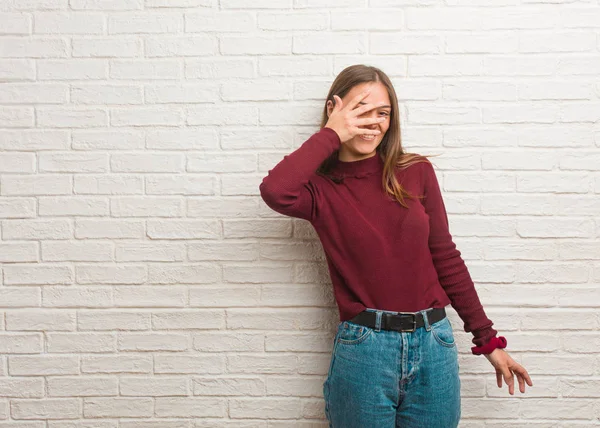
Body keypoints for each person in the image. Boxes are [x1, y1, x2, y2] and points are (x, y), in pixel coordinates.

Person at [259, 64, 532, 428]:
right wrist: (331, 134)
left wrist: (488, 340)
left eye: (383, 113)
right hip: (365, 349)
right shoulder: (319, 190)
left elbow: (445, 257)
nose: (373, 122)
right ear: (334, 109)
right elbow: (275, 191)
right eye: (361, 109)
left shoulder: (415, 172)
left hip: (435, 344)